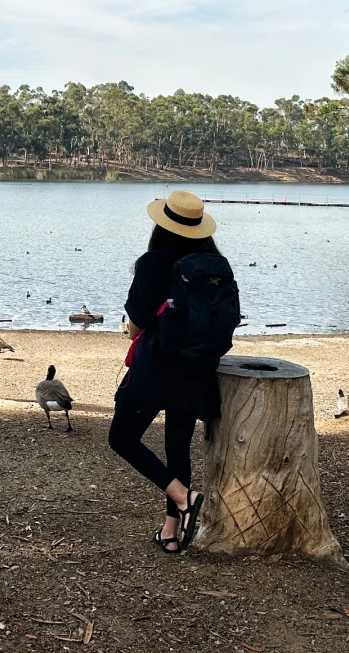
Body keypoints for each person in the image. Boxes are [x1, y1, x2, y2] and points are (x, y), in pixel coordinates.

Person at [109, 190, 239, 555]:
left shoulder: (153, 263)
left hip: (156, 368)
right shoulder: (217, 264)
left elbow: (135, 327)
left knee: (121, 437)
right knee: (177, 445)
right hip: (197, 368)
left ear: (161, 225)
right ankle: (171, 532)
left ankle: (185, 497)